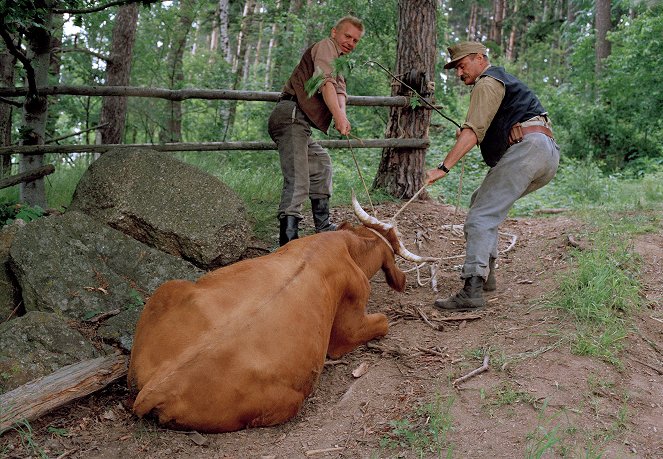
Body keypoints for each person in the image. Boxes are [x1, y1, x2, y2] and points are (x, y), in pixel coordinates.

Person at [425, 41, 560, 312]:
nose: (459, 73)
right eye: (456, 69)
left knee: (481, 215)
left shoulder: (487, 82)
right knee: (481, 201)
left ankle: (472, 288)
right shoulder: (501, 81)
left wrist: (443, 167)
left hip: (529, 150)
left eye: (462, 66)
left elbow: (473, 131)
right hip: (546, 154)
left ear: (479, 58)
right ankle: (487, 277)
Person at [268, 16, 364, 246]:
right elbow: (325, 83)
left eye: (355, 40)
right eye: (347, 36)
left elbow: (339, 92)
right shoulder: (325, 47)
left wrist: (343, 117)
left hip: (299, 122)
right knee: (298, 179)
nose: (350, 43)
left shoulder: (338, 62)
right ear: (334, 32)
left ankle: (322, 226)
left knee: (321, 164)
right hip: (290, 115)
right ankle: (288, 242)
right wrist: (338, 117)